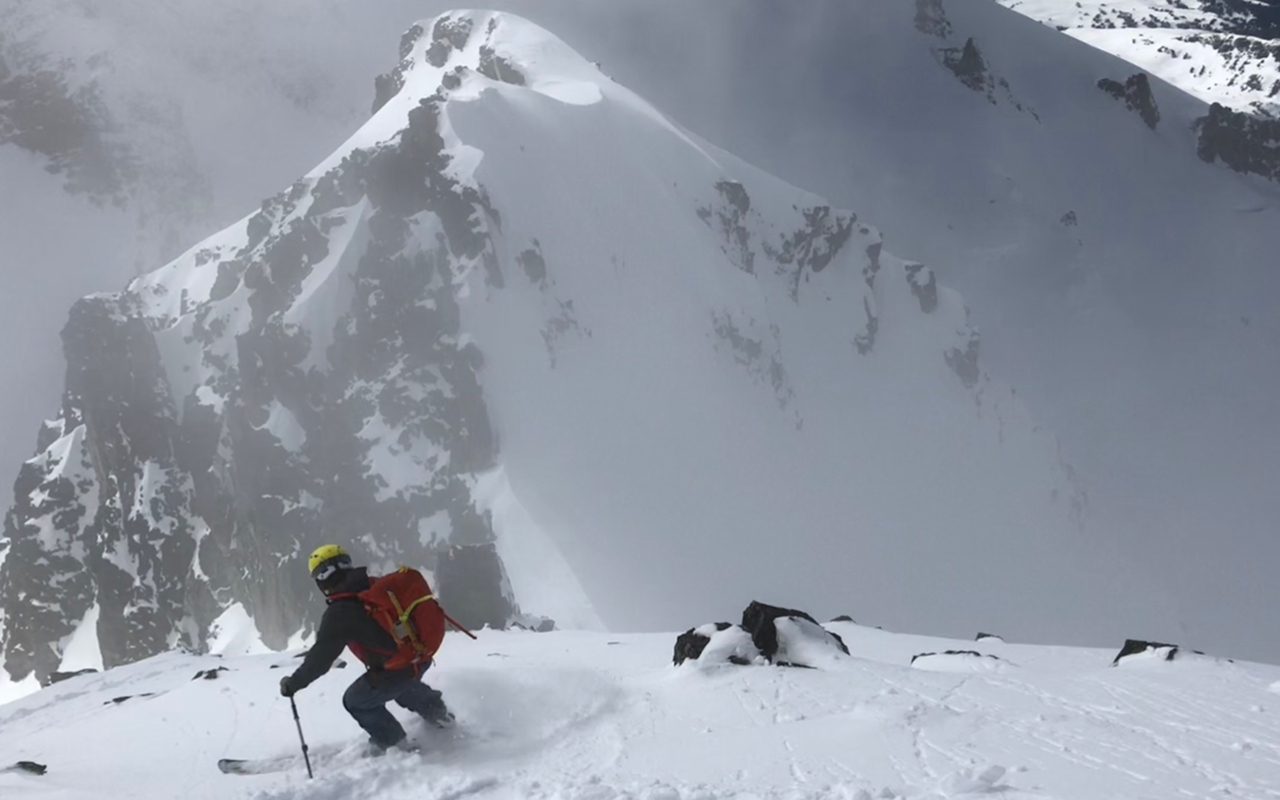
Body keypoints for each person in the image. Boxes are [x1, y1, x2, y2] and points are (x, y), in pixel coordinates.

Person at [279, 544, 454, 753]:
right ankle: (439, 714)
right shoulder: (373, 587)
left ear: (321, 580)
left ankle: (394, 743)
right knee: (400, 685)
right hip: (419, 655)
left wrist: (293, 684)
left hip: (398, 667)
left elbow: (320, 660)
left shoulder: (340, 613)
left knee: (356, 700)